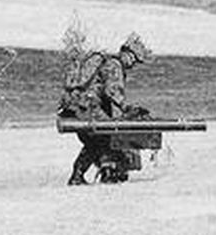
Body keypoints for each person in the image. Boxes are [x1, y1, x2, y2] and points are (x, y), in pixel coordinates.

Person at [58, 32, 153, 185]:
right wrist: (124, 111)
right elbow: (112, 92)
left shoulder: (107, 63)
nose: (133, 64)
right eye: (133, 59)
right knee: (108, 138)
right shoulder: (115, 65)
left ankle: (79, 175)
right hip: (88, 108)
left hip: (76, 108)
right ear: (126, 53)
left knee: (94, 142)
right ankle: (108, 173)